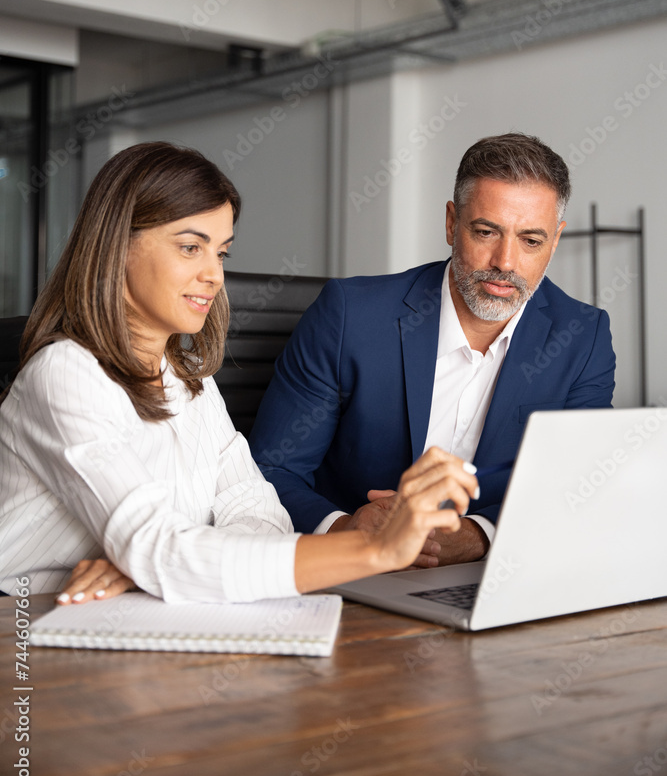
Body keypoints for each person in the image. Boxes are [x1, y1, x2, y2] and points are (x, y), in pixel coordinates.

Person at [0, 142, 478, 604]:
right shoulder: (65, 374)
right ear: (116, 246)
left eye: (221, 252)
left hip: (141, 619)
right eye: (191, 247)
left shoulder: (191, 381)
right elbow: (160, 550)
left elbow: (264, 516)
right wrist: (373, 549)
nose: (215, 275)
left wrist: (151, 564)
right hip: (24, 627)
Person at [248, 133, 616, 567]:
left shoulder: (582, 336)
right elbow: (270, 472)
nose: (506, 262)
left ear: (555, 241)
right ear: (450, 223)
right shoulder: (349, 316)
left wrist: (481, 535)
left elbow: (577, 488)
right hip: (349, 575)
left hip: (489, 576)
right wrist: (348, 530)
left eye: (531, 241)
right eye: (486, 232)